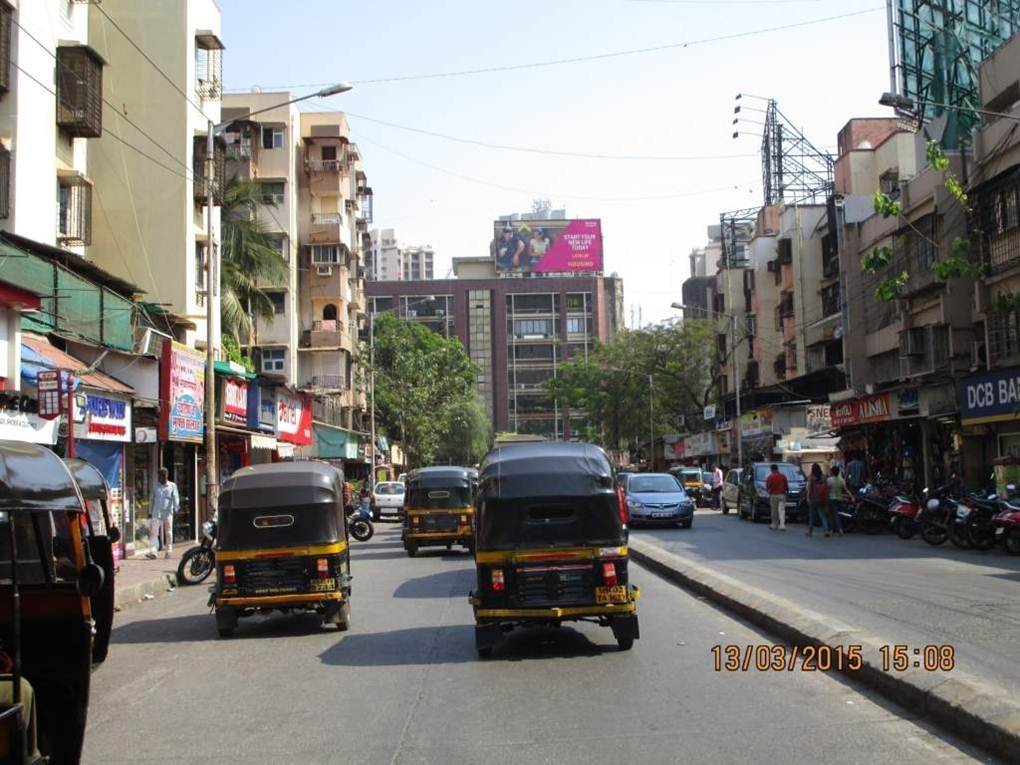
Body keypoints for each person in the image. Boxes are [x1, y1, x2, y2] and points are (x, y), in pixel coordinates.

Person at [148, 467, 180, 560]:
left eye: (163, 476)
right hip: (156, 512)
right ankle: (153, 552)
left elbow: (176, 498)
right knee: (154, 532)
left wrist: (176, 509)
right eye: (160, 476)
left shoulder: (172, 486)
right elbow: (151, 499)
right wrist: (150, 512)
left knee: (168, 532)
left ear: (167, 476)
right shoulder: (155, 486)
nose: (161, 478)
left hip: (168, 512)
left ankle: (168, 551)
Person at [806, 463, 831, 537]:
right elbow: (827, 488)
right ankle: (826, 530)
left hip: (813, 498)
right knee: (822, 515)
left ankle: (810, 531)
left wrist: (808, 497)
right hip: (822, 498)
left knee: (812, 516)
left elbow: (810, 489)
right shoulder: (823, 477)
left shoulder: (811, 477)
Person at [765, 463, 789, 531]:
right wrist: (786, 492)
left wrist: (769, 492)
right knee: (782, 510)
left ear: (771, 469)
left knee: (774, 511)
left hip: (774, 495)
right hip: (782, 495)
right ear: (777, 469)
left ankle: (774, 524)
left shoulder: (770, 477)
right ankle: (782, 525)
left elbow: (768, 486)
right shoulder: (783, 476)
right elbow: (786, 486)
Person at [826, 465, 847, 535]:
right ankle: (840, 529)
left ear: (832, 472)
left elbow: (827, 489)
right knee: (838, 514)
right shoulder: (842, 480)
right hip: (839, 499)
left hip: (831, 499)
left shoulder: (829, 480)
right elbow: (845, 489)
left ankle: (832, 530)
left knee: (831, 515)